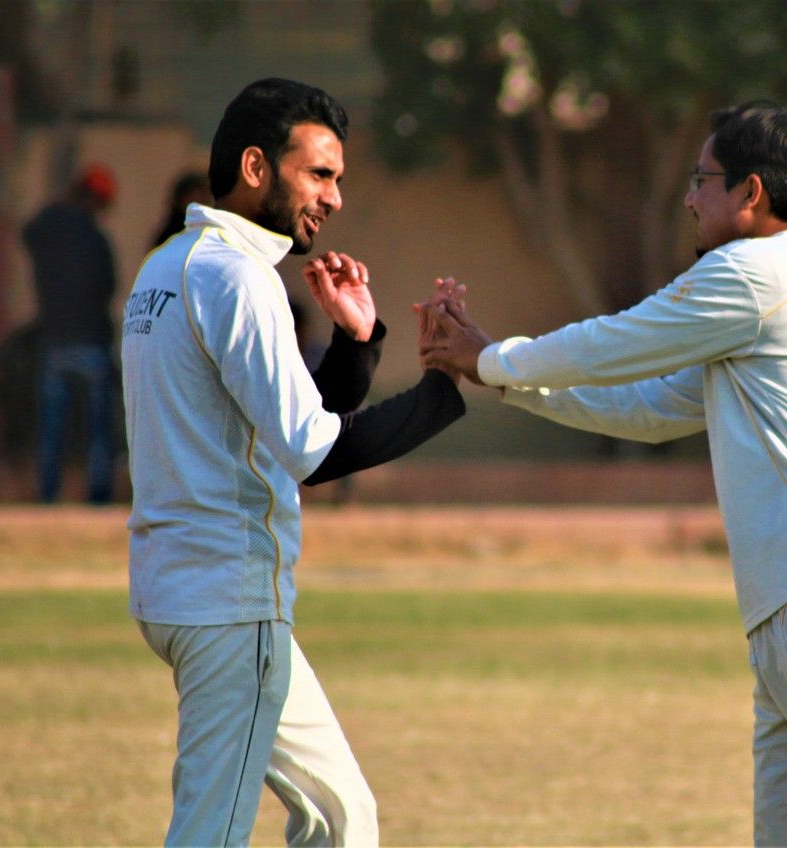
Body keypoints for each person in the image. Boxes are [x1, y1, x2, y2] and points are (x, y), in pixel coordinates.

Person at [420, 101, 787, 846]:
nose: (689, 199)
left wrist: (493, 358)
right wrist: (504, 378)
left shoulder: (756, 272)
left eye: (702, 180)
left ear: (751, 192)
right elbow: (649, 406)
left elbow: (614, 343)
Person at [121, 78, 466, 847]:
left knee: (340, 816)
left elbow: (281, 429)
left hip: (186, 591)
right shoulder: (237, 277)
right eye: (319, 174)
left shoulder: (168, 266)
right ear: (255, 167)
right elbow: (315, 452)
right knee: (211, 832)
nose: (334, 197)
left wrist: (354, 343)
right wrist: (444, 388)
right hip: (228, 602)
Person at [22, 164, 120, 503]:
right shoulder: (95, 240)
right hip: (91, 340)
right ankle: (99, 496)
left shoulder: (49, 230)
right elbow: (109, 286)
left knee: (52, 427)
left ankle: (47, 494)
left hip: (55, 340)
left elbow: (28, 232)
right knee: (98, 428)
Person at [151, 170, 213, 247]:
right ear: (183, 198)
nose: (207, 198)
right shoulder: (171, 235)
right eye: (202, 193)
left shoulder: (210, 229)